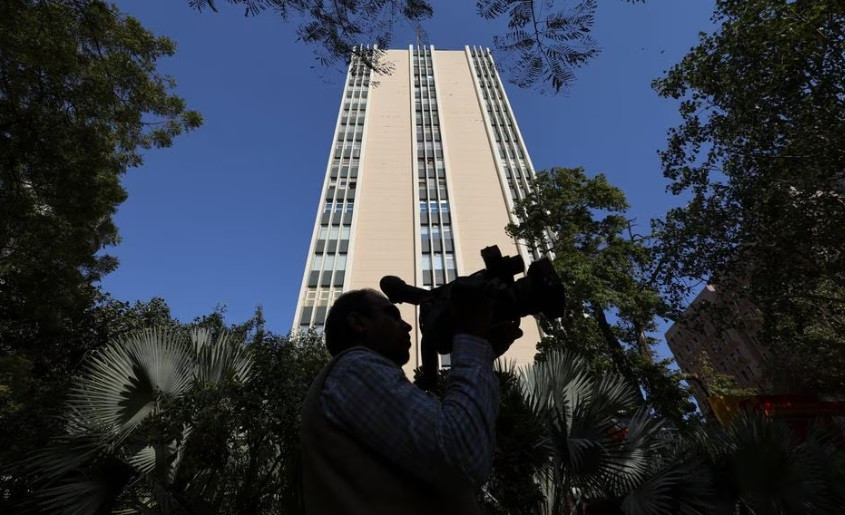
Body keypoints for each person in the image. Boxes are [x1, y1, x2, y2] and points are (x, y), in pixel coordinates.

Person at [300, 287, 522, 515]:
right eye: (391, 314)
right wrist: (472, 338)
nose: (407, 326)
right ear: (359, 323)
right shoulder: (355, 368)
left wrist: (485, 350)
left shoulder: (355, 377)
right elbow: (463, 453)